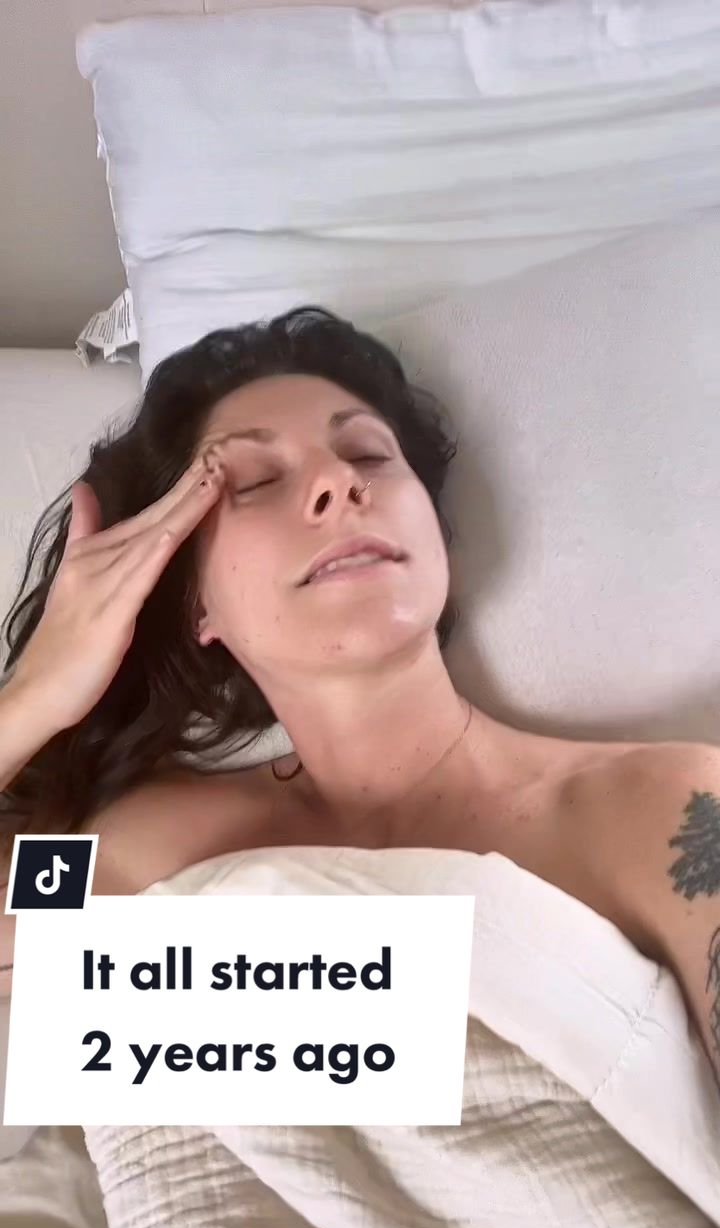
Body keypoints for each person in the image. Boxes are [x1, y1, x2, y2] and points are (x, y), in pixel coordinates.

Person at [0, 307, 717, 1085]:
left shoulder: (666, 814)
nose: (338, 483)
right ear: (194, 605)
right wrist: (38, 695)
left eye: (370, 455)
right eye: (257, 481)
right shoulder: (143, 848)